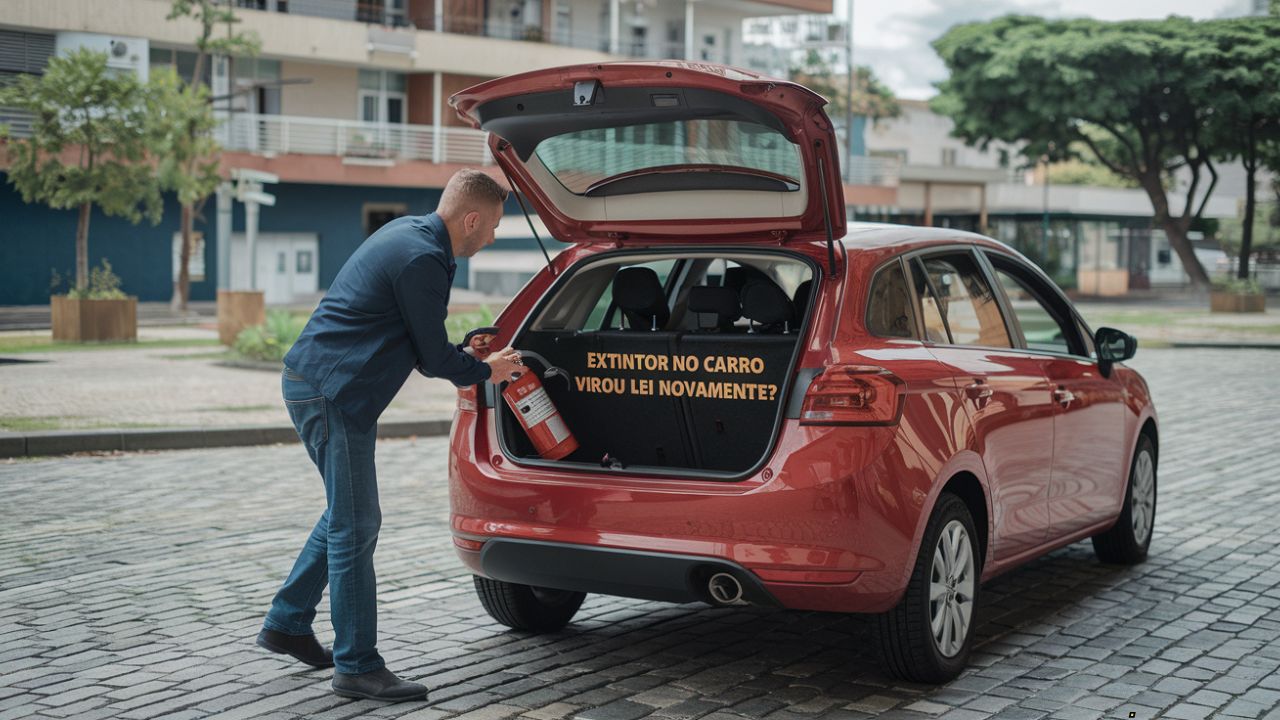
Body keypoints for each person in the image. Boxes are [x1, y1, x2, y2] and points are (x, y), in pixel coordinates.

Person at [255, 169, 526, 702]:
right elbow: (430, 356)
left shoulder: (413, 235)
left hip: (324, 385)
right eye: (492, 226)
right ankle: (357, 665)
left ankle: (287, 622)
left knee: (343, 515)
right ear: (470, 218)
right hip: (332, 392)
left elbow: (419, 338)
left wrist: (465, 357)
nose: (492, 236)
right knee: (357, 525)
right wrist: (487, 371)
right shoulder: (424, 257)